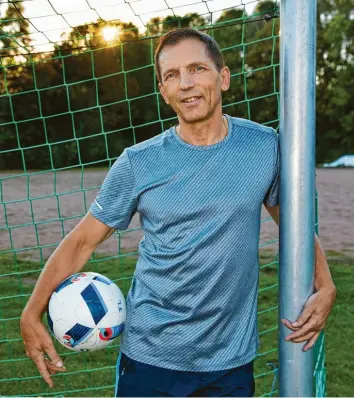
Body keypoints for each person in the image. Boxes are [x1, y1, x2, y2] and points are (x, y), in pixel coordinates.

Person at [20, 28, 336, 397]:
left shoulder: (265, 148)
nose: (185, 84)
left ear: (224, 77)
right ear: (163, 91)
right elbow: (81, 242)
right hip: (150, 359)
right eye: (172, 75)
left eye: (197, 69)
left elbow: (293, 227)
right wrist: (31, 312)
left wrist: (325, 283)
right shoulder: (138, 163)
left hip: (229, 363)